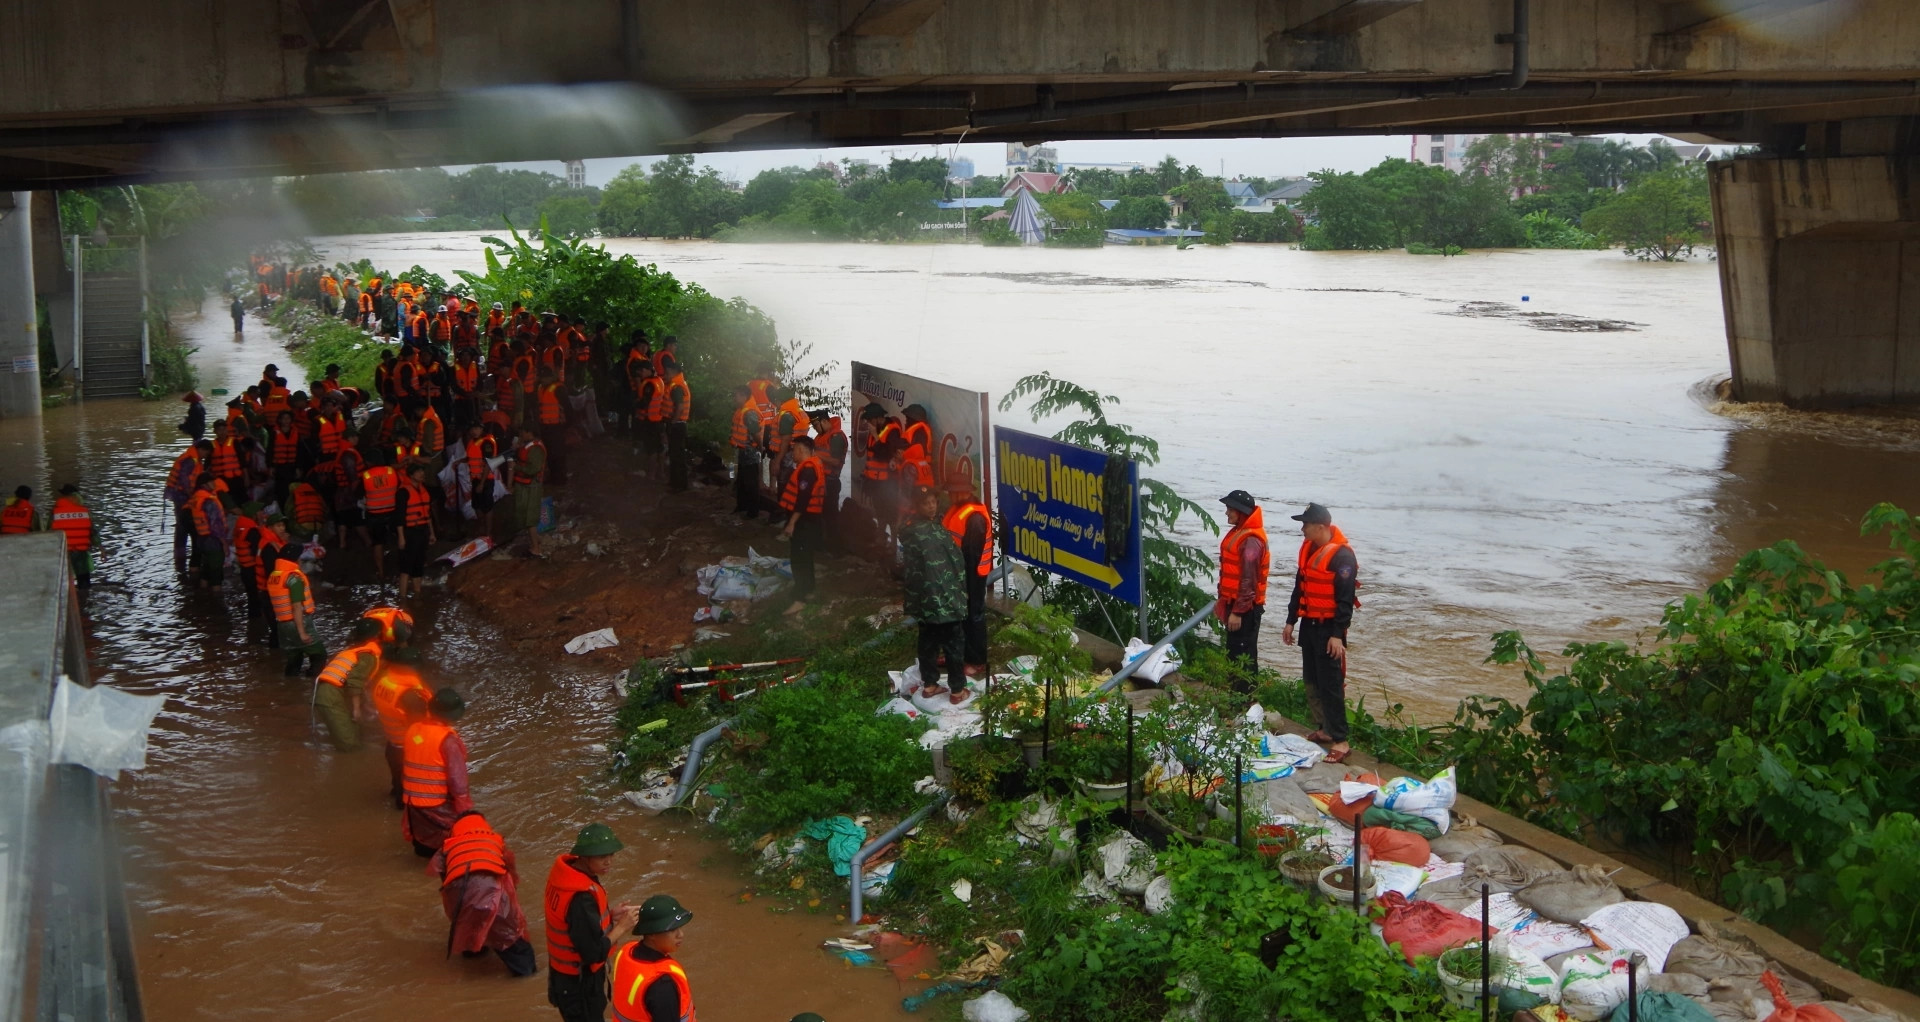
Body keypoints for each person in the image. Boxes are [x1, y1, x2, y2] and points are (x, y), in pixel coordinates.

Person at [1281, 503, 1359, 764]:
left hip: (1329, 630)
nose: (1302, 528)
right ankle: (1325, 728)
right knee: (1312, 680)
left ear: (1321, 526)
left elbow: (1345, 600)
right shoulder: (1308, 551)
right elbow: (1299, 589)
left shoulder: (1343, 557)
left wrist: (1338, 634)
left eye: (1305, 524)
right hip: (1310, 625)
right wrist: (1291, 621)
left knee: (1331, 684)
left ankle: (1341, 740)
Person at [545, 824, 640, 1022]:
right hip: (579, 985)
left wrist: (610, 915)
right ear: (585, 857)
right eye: (601, 857)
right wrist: (622, 926)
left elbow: (574, 923)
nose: (609, 862)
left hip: (562, 978)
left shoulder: (565, 877)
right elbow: (593, 953)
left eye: (611, 855)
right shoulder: (580, 898)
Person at [435, 810, 537, 976]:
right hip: (491, 890)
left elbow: (444, 880)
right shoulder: (494, 839)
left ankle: (474, 952)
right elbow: (510, 874)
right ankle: (525, 975)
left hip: (459, 894)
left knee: (469, 924)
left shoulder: (447, 847)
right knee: (509, 936)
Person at [899, 486, 968, 704]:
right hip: (944, 597)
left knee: (927, 640)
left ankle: (930, 685)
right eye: (925, 503)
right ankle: (957, 691)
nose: (931, 506)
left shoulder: (910, 531)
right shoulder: (933, 532)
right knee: (953, 643)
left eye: (933, 502)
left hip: (923, 598)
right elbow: (954, 563)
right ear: (917, 506)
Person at [401, 687, 473, 857]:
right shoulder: (448, 740)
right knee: (448, 847)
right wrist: (464, 808)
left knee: (422, 844)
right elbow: (457, 779)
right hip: (436, 803)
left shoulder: (413, 729)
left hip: (412, 802)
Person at [606, 895, 697, 1022]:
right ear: (652, 933)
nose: (680, 935)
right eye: (672, 929)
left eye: (680, 928)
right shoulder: (662, 983)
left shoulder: (627, 951)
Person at [1216, 489, 1269, 694]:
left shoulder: (1251, 541)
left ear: (1241, 511)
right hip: (1236, 604)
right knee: (1234, 654)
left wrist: (1237, 612)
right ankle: (1235, 699)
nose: (1227, 513)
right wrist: (1225, 603)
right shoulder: (1241, 532)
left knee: (1243, 656)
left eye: (1230, 509)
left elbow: (1248, 581)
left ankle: (1245, 702)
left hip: (1245, 609)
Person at [941, 479, 992, 675]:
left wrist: (967, 587)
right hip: (955, 573)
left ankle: (977, 660)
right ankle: (956, 653)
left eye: (953, 493)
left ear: (963, 493)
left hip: (972, 576)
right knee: (956, 616)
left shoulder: (975, 518)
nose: (950, 496)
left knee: (973, 616)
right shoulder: (957, 509)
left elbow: (972, 556)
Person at [369, 643, 429, 808]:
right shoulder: (410, 696)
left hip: (392, 743)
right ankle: (401, 817)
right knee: (407, 794)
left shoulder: (385, 682)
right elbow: (418, 726)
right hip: (406, 747)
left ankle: (396, 796)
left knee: (398, 783)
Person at [312, 618, 382, 752]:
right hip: (331, 696)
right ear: (376, 636)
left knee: (356, 731)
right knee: (349, 745)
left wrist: (364, 704)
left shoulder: (352, 651)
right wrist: (356, 708)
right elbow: (355, 682)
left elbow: (352, 681)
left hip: (329, 693)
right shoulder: (368, 656)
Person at [266, 532, 327, 676]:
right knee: (319, 655)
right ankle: (310, 686)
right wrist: (302, 633)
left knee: (294, 659)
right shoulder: (293, 579)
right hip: (298, 623)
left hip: (282, 625)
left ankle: (291, 688)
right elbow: (297, 606)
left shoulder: (274, 576)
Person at [778, 435, 825, 615]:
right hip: (809, 519)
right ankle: (809, 590)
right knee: (805, 556)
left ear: (800, 450)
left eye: (793, 450)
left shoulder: (807, 470)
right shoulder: (813, 465)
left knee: (799, 559)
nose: (792, 453)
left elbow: (803, 500)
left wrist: (791, 523)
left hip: (804, 521)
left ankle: (801, 599)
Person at [395, 464, 436, 600]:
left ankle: (417, 595)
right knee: (406, 566)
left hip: (422, 531)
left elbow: (428, 514)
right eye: (418, 472)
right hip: (409, 532)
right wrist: (401, 537)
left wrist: (432, 533)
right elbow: (399, 517)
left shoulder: (424, 491)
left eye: (422, 471)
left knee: (419, 564)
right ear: (411, 475)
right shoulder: (403, 492)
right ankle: (403, 598)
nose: (422, 474)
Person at [509, 424, 548, 558]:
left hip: (532, 485)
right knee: (525, 513)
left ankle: (535, 549)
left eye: (522, 433)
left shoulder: (536, 448)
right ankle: (537, 540)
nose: (520, 435)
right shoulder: (528, 446)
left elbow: (533, 469)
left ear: (528, 432)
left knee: (530, 518)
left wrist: (516, 468)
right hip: (525, 485)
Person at [360, 454, 401, 579]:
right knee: (401, 536)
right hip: (393, 511)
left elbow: (359, 493)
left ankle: (381, 572)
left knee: (378, 542)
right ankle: (403, 567)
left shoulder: (366, 475)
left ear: (369, 462)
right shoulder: (391, 471)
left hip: (375, 514)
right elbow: (398, 485)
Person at [49, 483, 96, 588]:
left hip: (64, 551)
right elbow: (92, 531)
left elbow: (49, 531)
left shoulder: (55, 511)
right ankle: (85, 599)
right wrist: (101, 548)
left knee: (65, 581)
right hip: (81, 550)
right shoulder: (84, 511)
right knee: (84, 581)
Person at [185, 476, 228, 589]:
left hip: (201, 538)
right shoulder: (209, 501)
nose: (214, 484)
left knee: (206, 569)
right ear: (205, 485)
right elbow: (215, 525)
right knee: (216, 572)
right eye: (211, 481)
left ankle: (202, 596)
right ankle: (216, 600)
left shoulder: (197, 497)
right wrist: (224, 543)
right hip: (212, 540)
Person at [729, 385, 762, 520]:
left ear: (743, 396)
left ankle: (753, 512)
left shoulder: (749, 413)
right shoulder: (742, 410)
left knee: (751, 482)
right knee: (742, 480)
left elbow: (755, 432)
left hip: (750, 451)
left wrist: (760, 447)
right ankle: (742, 506)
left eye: (736, 396)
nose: (734, 398)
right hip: (743, 450)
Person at [664, 367, 691, 492]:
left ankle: (680, 485)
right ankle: (676, 483)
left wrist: (672, 422)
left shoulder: (676, 387)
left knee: (677, 455)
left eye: (667, 373)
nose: (665, 375)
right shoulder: (679, 384)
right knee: (675, 455)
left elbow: (679, 407)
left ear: (673, 373)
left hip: (677, 425)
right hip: (678, 424)